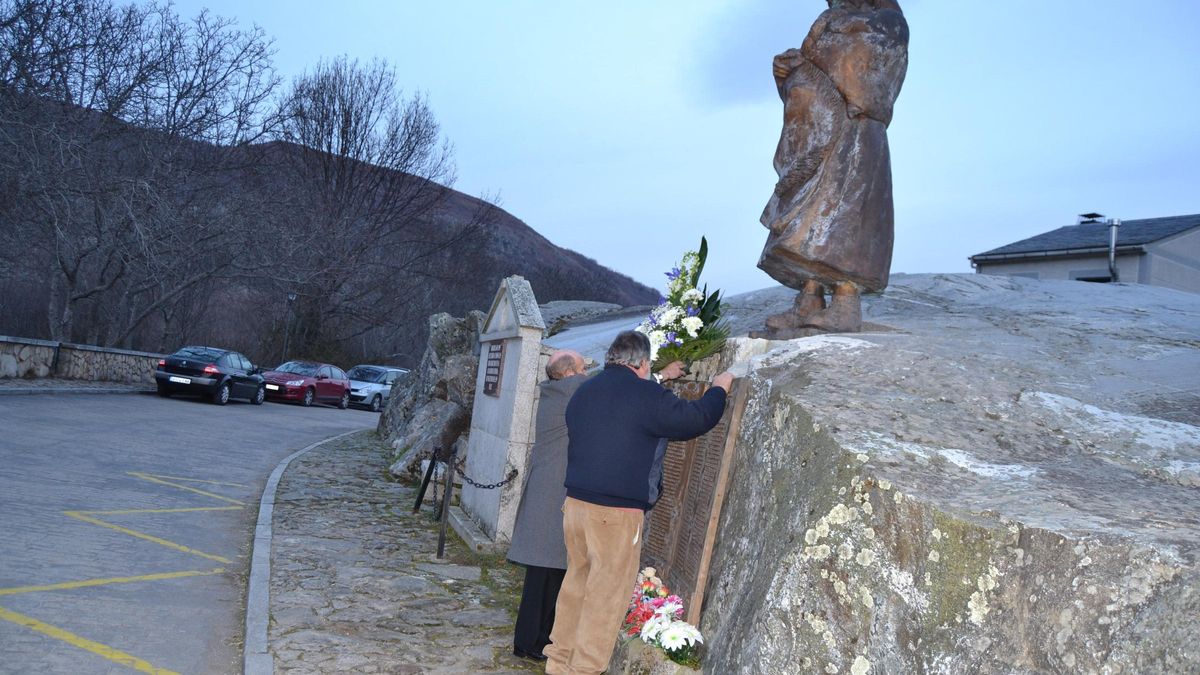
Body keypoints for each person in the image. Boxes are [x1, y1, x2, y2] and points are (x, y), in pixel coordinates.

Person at [544, 330, 733, 674]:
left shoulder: (585, 391)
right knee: (606, 596)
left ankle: (558, 662)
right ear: (642, 362)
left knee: (575, 585)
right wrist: (719, 387)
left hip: (575, 507)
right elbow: (695, 419)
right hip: (614, 516)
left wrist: (659, 381)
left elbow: (624, 407)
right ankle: (584, 670)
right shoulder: (645, 396)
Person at [756, 0, 909, 335]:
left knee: (845, 217)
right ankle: (809, 298)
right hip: (818, 130)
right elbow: (811, 74)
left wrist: (810, 68)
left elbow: (866, 73)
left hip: (857, 130)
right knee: (809, 218)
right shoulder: (827, 20)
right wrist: (788, 72)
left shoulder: (888, 23)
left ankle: (845, 304)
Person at [505, 349, 587, 661]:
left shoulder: (558, 391)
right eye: (582, 368)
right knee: (542, 578)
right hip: (549, 498)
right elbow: (612, 383)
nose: (585, 373)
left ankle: (538, 641)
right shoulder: (570, 391)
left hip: (550, 495)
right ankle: (528, 643)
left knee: (551, 575)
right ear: (569, 374)